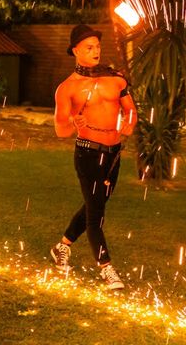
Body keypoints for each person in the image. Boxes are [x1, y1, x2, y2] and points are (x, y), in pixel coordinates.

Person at [50, 24, 136, 290]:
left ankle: (62, 246)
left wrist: (129, 125)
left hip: (113, 154)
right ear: (76, 51)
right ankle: (106, 268)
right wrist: (74, 123)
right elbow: (60, 131)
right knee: (96, 212)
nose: (95, 51)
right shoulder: (67, 89)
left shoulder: (116, 79)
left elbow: (131, 110)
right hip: (88, 152)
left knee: (94, 204)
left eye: (97, 46)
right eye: (89, 47)